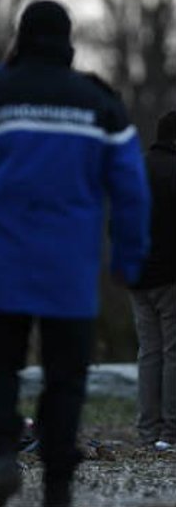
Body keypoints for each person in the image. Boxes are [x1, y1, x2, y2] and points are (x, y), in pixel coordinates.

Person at [0, 0, 150, 507]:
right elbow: (131, 188)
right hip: (67, 263)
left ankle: (4, 452)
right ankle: (57, 486)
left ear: (20, 40)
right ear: (68, 41)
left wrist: (1, 74)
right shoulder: (100, 105)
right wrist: (129, 258)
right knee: (65, 375)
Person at [130, 110, 176, 451]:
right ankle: (171, 432)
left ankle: (148, 432)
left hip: (138, 276)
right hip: (171, 277)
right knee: (174, 352)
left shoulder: (134, 168)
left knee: (149, 352)